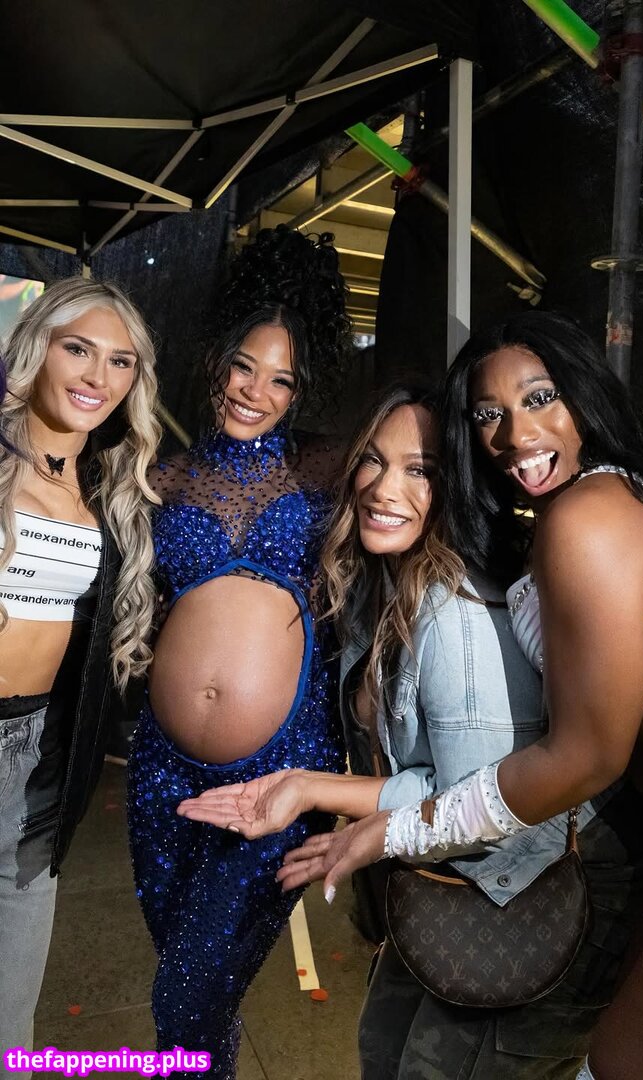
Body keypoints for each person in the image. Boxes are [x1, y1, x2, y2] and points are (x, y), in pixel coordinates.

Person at [276, 312, 643, 1080]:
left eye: (538, 397)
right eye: (487, 414)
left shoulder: (587, 514)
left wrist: (397, 830)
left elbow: (588, 757)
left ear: (584, 394)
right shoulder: (582, 502)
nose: (516, 434)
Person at [178, 384, 643, 1079]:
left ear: (455, 486)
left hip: (528, 898)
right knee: (381, 1051)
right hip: (447, 879)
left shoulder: (455, 614)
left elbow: (482, 803)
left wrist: (310, 789)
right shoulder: (384, 584)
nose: (383, 488)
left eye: (420, 470)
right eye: (373, 460)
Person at [127, 227, 349, 1080]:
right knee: (191, 985)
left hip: (281, 772)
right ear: (217, 361)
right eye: (245, 367)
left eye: (280, 379)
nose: (256, 390)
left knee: (184, 996)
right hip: (162, 770)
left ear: (302, 390)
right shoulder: (163, 478)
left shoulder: (325, 468)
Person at [0, 278, 160, 1078]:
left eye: (121, 361)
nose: (99, 375)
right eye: (78, 349)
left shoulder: (109, 487)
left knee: (10, 1022)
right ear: (35, 349)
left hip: (39, 760)